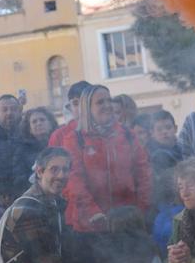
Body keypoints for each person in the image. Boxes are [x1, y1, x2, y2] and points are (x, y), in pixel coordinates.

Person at [56, 84, 152, 233]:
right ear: (87, 107)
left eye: (109, 100)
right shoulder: (75, 139)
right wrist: (94, 213)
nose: (107, 105)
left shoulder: (127, 134)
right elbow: (74, 182)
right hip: (90, 225)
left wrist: (141, 209)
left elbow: (143, 173)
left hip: (128, 221)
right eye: (100, 102)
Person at [0, 94, 37, 203]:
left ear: (19, 111)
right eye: (4, 109)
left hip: (28, 195)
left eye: (13, 109)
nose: (9, 113)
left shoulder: (29, 134)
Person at [49, 80, 93, 147]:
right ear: (70, 108)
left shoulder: (110, 130)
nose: (82, 107)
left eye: (86, 102)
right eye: (76, 103)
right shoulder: (59, 136)